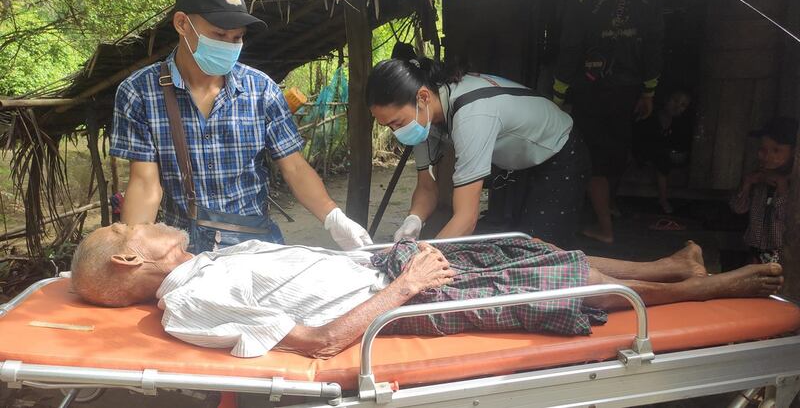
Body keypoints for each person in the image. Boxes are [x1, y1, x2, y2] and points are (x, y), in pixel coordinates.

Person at [71, 223, 783, 359]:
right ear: (132, 256)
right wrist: (406, 284)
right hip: (401, 298)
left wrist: (383, 253)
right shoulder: (189, 305)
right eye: (135, 225)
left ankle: (668, 265)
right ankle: (717, 284)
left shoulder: (206, 263)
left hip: (387, 266)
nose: (152, 218)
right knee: (568, 285)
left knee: (531, 246)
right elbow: (320, 341)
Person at [110, 0, 371, 253]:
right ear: (182, 24)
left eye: (237, 38)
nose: (229, 45)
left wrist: (333, 218)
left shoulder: (262, 90)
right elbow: (145, 184)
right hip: (185, 252)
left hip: (256, 244)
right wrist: (133, 249)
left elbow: (294, 167)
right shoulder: (140, 92)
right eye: (219, 35)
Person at [366, 58, 590, 247]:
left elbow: (466, 218)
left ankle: (620, 286)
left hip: (560, 153)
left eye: (397, 122)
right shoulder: (424, 120)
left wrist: (422, 260)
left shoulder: (471, 114)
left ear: (422, 97)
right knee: (519, 245)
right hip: (522, 163)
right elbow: (426, 186)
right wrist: (413, 219)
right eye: (389, 127)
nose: (397, 132)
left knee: (543, 254)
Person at [553, 0, 664, 244]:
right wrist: (649, 90)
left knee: (594, 157)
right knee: (617, 148)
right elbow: (654, 44)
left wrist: (558, 95)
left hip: (592, 87)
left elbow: (570, 47)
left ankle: (604, 228)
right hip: (628, 87)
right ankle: (610, 206)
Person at [730, 117, 798, 266]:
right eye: (763, 149)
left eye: (776, 150)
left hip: (784, 255)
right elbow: (738, 208)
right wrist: (747, 184)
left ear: (794, 152)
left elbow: (787, 220)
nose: (767, 156)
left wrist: (782, 186)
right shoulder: (758, 177)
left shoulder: (795, 185)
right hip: (755, 251)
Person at [632, 89, 694, 215]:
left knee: (665, 159)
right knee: (661, 158)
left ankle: (663, 199)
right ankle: (663, 200)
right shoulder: (651, 115)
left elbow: (679, 143)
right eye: (675, 101)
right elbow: (641, 138)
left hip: (665, 155)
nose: (677, 107)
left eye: (683, 105)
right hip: (645, 150)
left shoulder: (680, 123)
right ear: (666, 99)